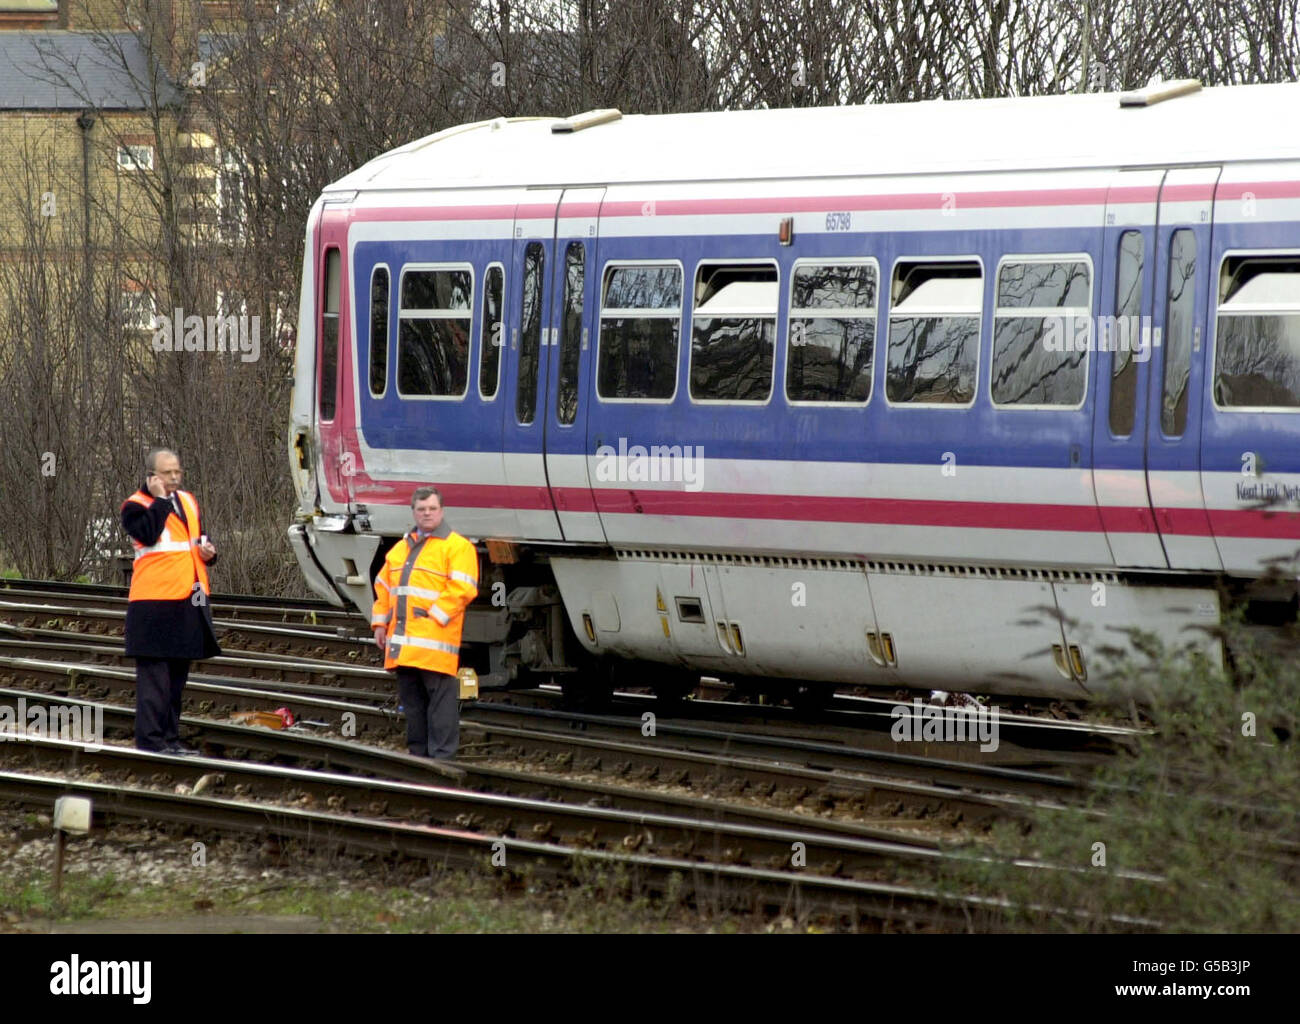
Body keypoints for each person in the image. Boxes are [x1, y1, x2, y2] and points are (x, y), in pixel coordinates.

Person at [121, 448, 221, 755]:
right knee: (155, 680)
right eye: (167, 473)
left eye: (177, 471)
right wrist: (161, 500)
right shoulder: (135, 507)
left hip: (186, 599)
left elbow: (196, 541)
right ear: (151, 476)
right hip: (152, 603)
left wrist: (210, 554)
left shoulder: (188, 501)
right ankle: (151, 742)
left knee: (177, 679)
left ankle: (170, 739)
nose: (175, 477)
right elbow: (149, 535)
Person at [371, 486, 479, 760]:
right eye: (421, 509)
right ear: (414, 513)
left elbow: (463, 588)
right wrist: (380, 625)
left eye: (432, 509)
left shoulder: (458, 547)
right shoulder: (400, 550)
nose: (427, 513)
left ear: (441, 511)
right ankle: (419, 757)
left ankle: (442, 759)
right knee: (414, 706)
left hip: (434, 643)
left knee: (440, 705)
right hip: (403, 646)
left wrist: (436, 617)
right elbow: (383, 586)